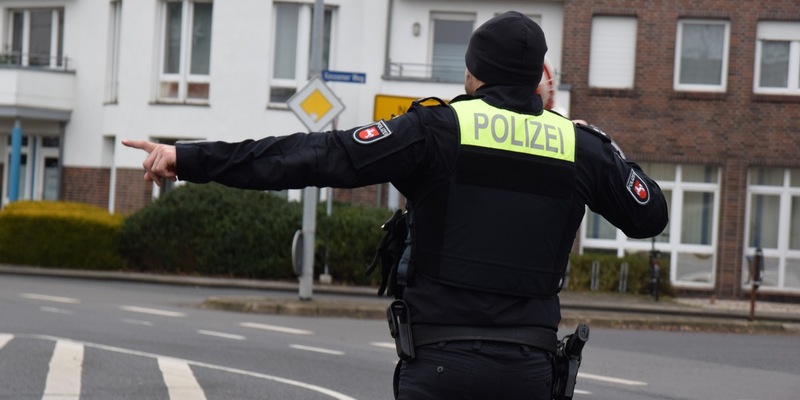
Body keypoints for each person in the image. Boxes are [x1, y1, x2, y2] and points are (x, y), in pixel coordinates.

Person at [124, 11, 668, 400]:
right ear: (537, 80)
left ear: (474, 74)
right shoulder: (580, 146)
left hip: (440, 368)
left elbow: (313, 156)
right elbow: (650, 215)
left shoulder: (436, 128)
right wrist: (600, 145)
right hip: (528, 372)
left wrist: (189, 158)